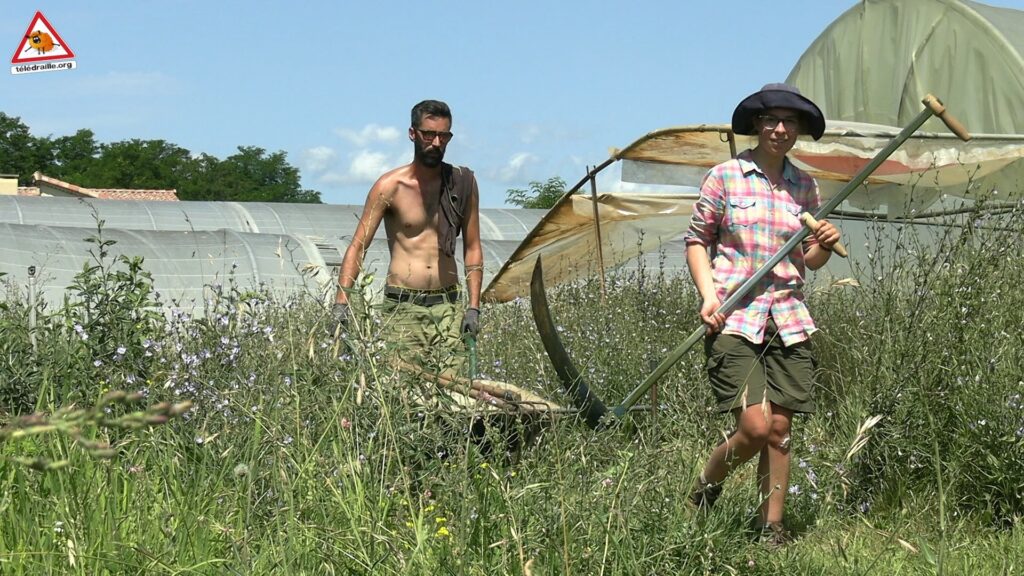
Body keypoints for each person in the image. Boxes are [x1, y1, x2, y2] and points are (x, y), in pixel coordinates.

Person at [683, 83, 841, 545]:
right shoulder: (726, 177)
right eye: (772, 120)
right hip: (734, 313)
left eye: (790, 122)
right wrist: (708, 296)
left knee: (780, 429)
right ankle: (704, 491)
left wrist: (824, 245)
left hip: (788, 317)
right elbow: (697, 240)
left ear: (798, 131)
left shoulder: (805, 186)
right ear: (757, 124)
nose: (780, 129)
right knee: (753, 426)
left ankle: (770, 526)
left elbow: (809, 260)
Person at [332, 99, 482, 378]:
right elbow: (358, 246)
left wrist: (473, 307)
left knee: (454, 397)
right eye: (429, 134)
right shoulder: (389, 187)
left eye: (443, 136)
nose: (436, 143)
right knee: (404, 394)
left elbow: (472, 247)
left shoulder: (462, 183)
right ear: (413, 133)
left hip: (448, 308)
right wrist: (342, 302)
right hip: (402, 309)